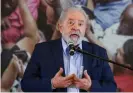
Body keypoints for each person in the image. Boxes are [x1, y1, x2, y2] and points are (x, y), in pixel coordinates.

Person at [21, 6, 116, 92]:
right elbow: (26, 84)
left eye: (80, 24)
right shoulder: (42, 50)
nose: (75, 28)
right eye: (70, 23)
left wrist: (90, 86)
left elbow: (111, 87)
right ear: (60, 27)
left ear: (85, 29)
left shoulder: (98, 52)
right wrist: (52, 83)